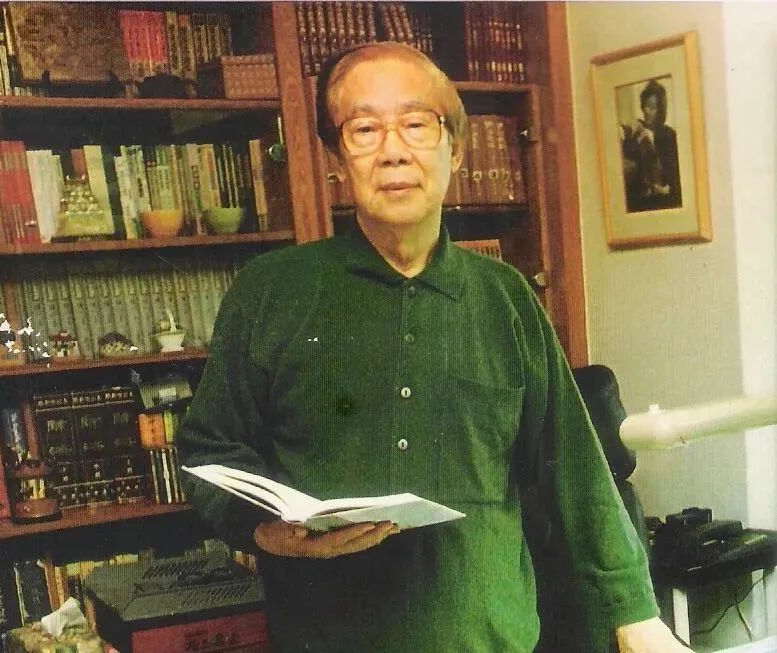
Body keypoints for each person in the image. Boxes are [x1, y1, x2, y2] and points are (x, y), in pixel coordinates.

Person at [179, 42, 691, 652]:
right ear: (336, 158)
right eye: (364, 129)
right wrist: (268, 532)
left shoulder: (505, 297)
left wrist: (636, 619)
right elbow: (209, 451)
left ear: (455, 148)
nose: (393, 150)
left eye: (417, 124)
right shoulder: (269, 291)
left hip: (490, 641)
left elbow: (576, 469)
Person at [621, 79, 681, 212]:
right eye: (645, 106)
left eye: (652, 107)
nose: (647, 111)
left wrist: (667, 188)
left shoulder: (669, 135)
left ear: (660, 110)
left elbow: (676, 174)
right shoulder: (636, 132)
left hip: (666, 200)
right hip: (642, 202)